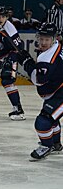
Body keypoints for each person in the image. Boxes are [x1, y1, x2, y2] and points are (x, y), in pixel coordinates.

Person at [17, 23, 63, 160]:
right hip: (57, 90)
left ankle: (46, 146)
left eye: (47, 39)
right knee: (52, 119)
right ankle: (56, 144)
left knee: (43, 121)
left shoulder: (47, 58)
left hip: (60, 92)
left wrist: (26, 63)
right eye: (41, 39)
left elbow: (39, 80)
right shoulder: (57, 47)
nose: (43, 42)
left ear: (54, 39)